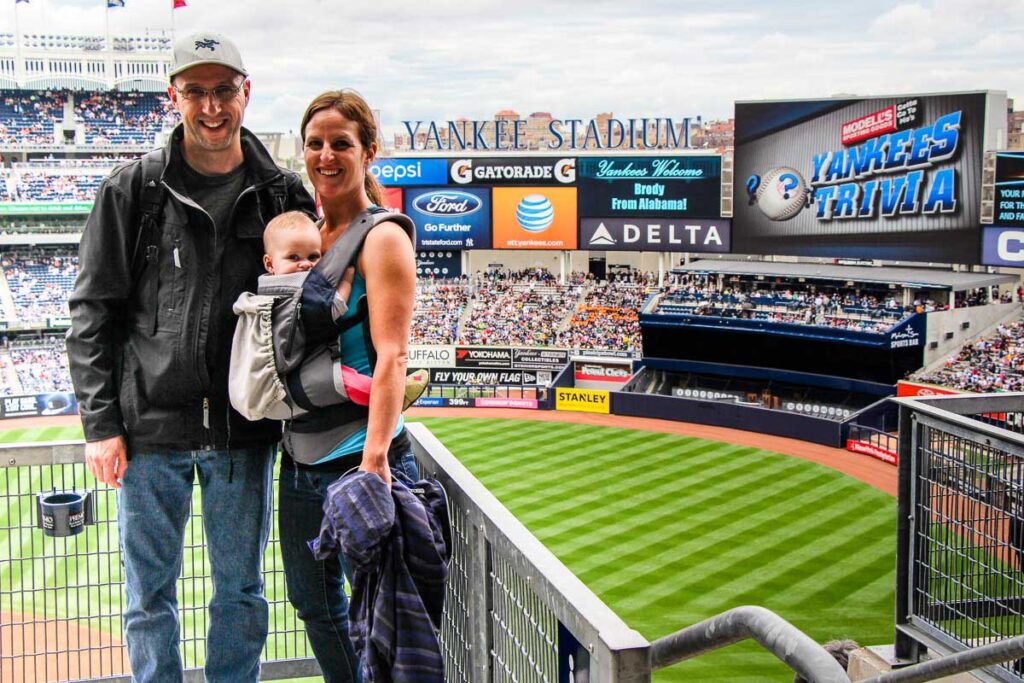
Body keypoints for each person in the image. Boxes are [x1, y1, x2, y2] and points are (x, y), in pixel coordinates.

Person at [66, 31, 315, 682]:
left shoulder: (281, 193)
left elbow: (317, 298)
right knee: (149, 597)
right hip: (150, 430)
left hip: (244, 431)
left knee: (240, 592)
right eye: (197, 91)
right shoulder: (133, 189)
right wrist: (101, 424)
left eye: (224, 90)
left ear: (246, 93)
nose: (212, 106)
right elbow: (93, 310)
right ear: (173, 96)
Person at [277, 89, 417, 682]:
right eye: (315, 144)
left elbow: (393, 357)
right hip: (301, 458)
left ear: (369, 152)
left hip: (360, 462)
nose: (326, 156)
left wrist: (376, 458)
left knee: (379, 618)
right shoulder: (307, 238)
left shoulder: (381, 238)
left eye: (341, 143)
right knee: (314, 604)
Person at [246, 209, 427, 412]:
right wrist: (347, 279)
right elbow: (333, 307)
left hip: (289, 370)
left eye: (313, 257)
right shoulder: (292, 288)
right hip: (293, 370)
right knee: (345, 378)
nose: (305, 264)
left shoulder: (266, 287)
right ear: (269, 263)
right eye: (293, 257)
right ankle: (393, 395)